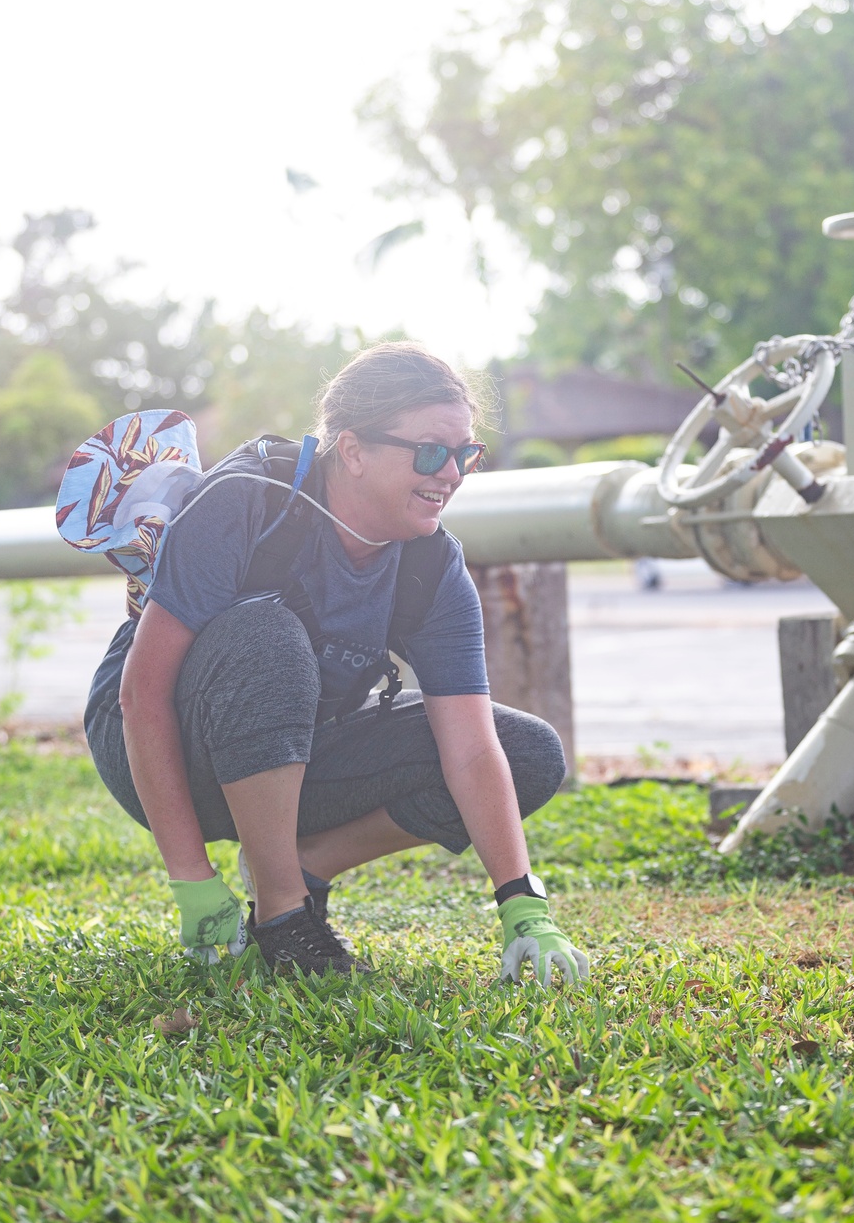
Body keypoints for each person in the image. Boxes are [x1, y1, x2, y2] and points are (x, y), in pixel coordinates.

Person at [84, 343, 589, 987]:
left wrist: (523, 905)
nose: (452, 473)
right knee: (268, 632)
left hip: (295, 750)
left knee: (529, 753)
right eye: (432, 452)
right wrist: (193, 885)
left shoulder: (433, 565)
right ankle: (283, 918)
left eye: (466, 454)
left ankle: (297, 865)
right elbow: (141, 697)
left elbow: (471, 748)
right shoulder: (247, 501)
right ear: (351, 450)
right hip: (158, 747)